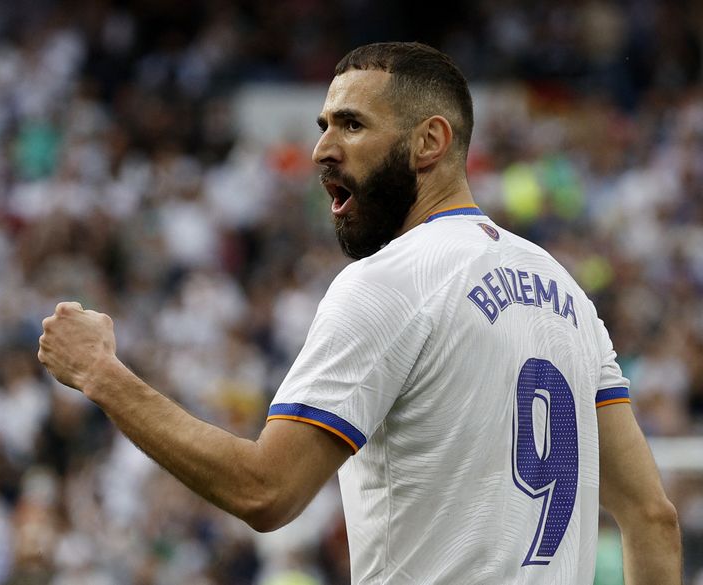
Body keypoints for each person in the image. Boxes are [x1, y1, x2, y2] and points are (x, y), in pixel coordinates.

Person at [38, 42, 682, 584]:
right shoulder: (565, 292)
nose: (321, 149)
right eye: (322, 125)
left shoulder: (389, 282)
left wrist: (100, 373)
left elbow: (266, 492)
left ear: (429, 141)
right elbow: (653, 519)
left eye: (350, 124)